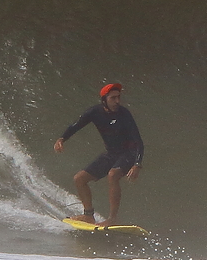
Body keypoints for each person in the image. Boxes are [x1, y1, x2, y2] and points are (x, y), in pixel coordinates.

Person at [54, 82, 144, 224]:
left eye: (118, 97)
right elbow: (77, 125)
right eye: (113, 98)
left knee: (113, 174)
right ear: (104, 100)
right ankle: (88, 215)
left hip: (128, 153)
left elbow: (138, 141)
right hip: (111, 154)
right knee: (79, 179)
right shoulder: (94, 112)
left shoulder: (124, 114)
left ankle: (112, 219)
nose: (117, 101)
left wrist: (137, 164)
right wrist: (62, 138)